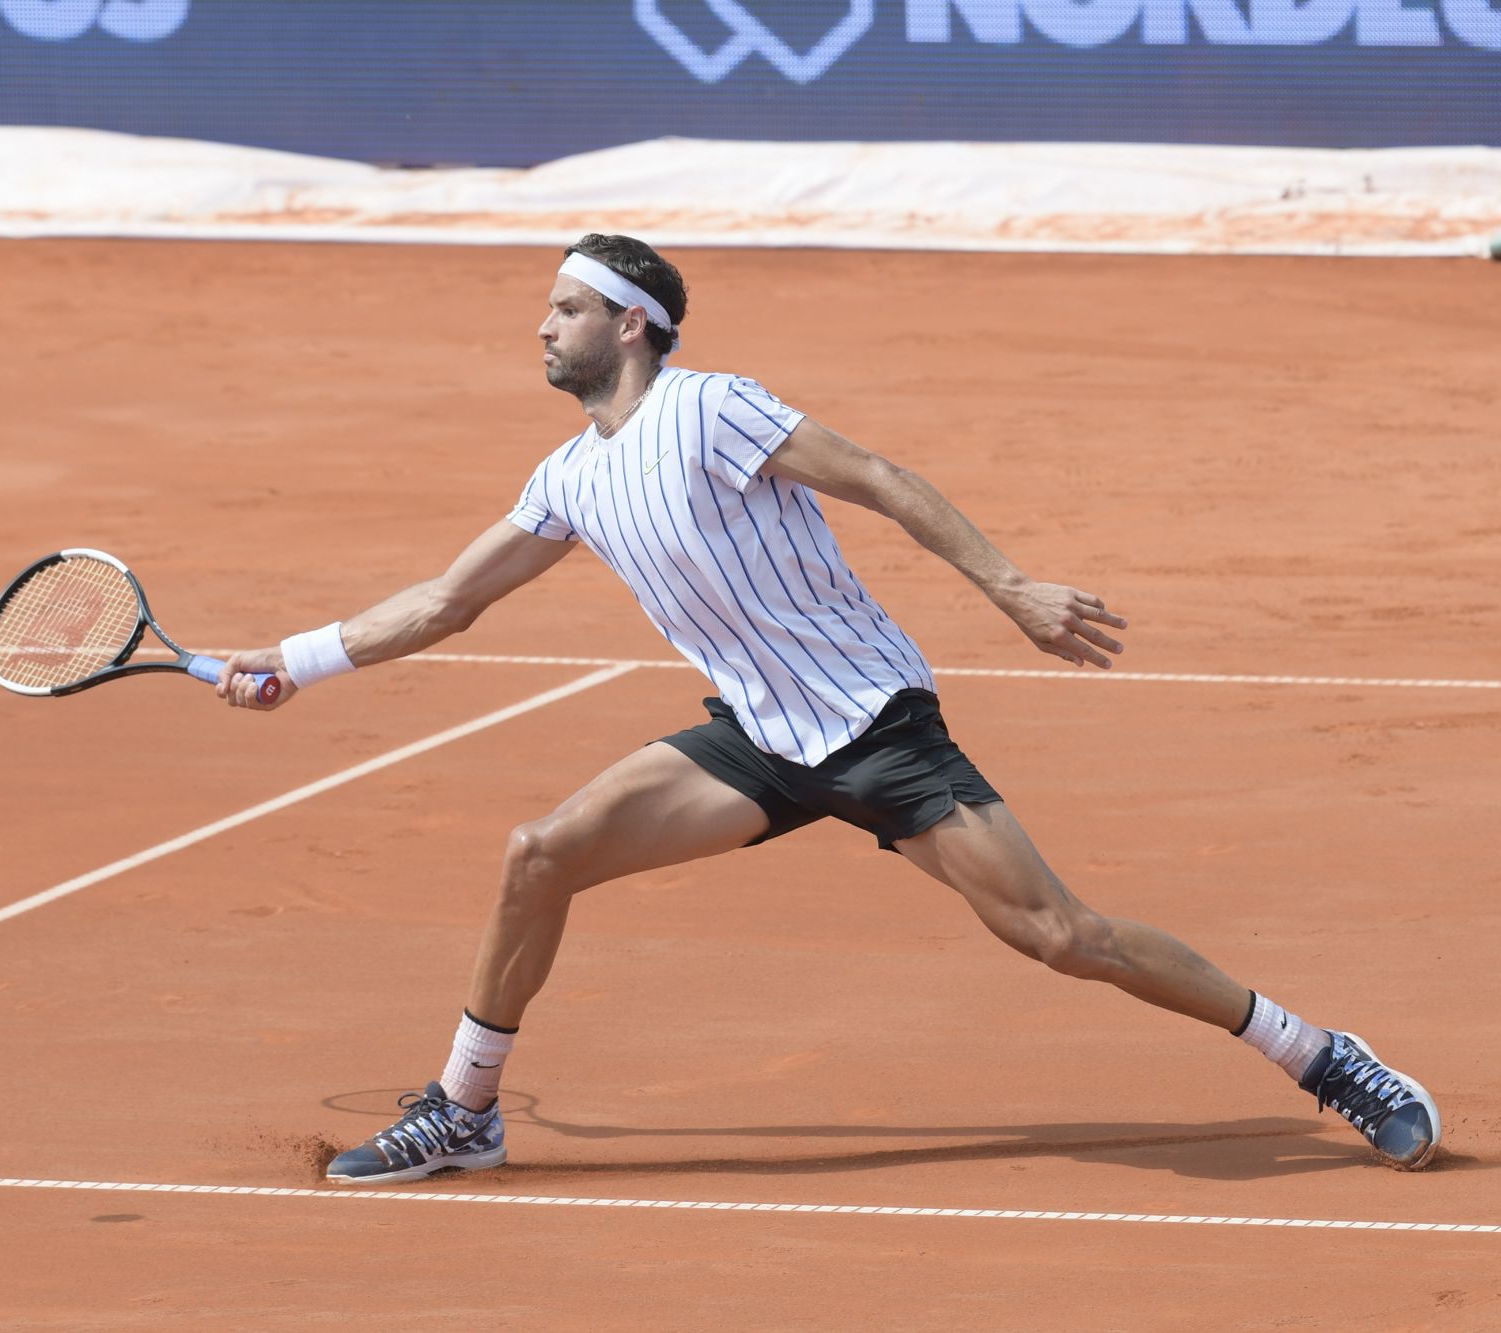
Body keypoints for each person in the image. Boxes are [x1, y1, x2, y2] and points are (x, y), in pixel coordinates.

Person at [215, 234, 1441, 1183]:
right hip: (757, 738)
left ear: (631, 323)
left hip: (871, 725)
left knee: (1066, 938)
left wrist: (1009, 587)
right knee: (539, 854)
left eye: (565, 307)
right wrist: (293, 660)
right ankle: (464, 1111)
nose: (541, 325)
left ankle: (1321, 1056)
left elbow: (879, 479)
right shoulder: (567, 476)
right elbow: (445, 601)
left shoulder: (710, 408)